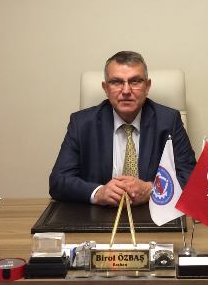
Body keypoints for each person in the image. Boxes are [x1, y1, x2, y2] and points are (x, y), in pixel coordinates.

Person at [49, 51, 196, 206]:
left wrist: (152, 189)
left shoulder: (169, 121)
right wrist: (98, 192)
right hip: (99, 215)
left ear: (147, 86)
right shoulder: (82, 123)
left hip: (154, 213)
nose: (126, 91)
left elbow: (192, 178)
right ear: (106, 88)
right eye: (116, 82)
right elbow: (58, 181)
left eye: (135, 81)